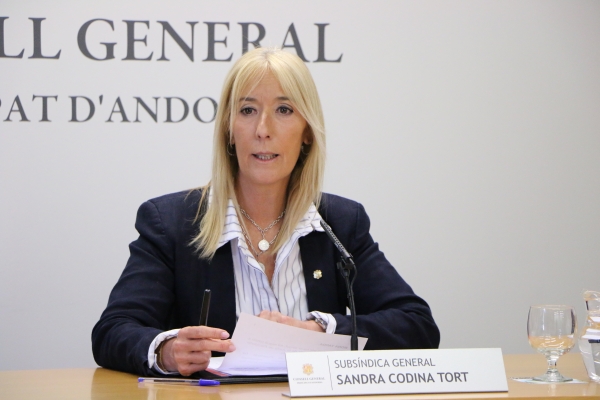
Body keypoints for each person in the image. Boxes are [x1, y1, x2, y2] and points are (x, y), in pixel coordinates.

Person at [92, 47, 440, 377]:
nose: (263, 130)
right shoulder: (171, 222)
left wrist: (318, 331)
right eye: (247, 110)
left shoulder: (339, 223)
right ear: (229, 129)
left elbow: (417, 325)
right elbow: (112, 331)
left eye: (284, 110)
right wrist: (167, 351)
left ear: (307, 131)